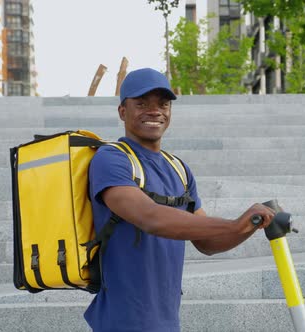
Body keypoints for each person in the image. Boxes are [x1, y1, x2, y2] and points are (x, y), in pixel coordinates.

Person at [84, 67, 276, 331]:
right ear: (122, 112)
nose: (155, 111)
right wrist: (233, 223)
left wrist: (252, 223)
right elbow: (149, 217)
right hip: (122, 321)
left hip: (167, 321)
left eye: (163, 104)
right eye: (142, 104)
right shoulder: (111, 159)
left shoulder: (178, 168)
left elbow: (207, 243)